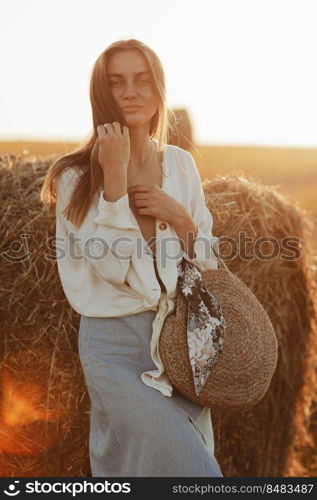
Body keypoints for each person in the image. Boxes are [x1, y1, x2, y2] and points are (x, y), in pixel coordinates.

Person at [40, 38, 222, 477]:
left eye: (142, 80)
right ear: (102, 94)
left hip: (179, 344)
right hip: (113, 349)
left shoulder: (180, 165)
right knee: (190, 467)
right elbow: (110, 267)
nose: (130, 92)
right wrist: (115, 179)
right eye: (117, 82)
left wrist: (179, 216)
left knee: (151, 469)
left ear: (159, 89)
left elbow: (208, 264)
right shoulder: (74, 176)